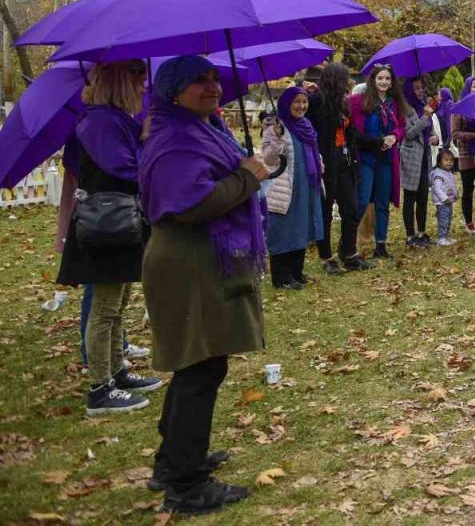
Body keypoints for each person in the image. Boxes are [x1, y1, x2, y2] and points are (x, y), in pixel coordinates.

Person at [139, 56, 270, 514]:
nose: (213, 86)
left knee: (198, 365)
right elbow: (189, 205)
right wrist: (246, 178)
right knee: (199, 368)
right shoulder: (175, 139)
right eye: (200, 80)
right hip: (188, 264)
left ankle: (173, 460)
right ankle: (187, 484)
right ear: (173, 89)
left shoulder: (200, 127)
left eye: (215, 77)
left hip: (201, 260)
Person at [56, 60, 163, 416]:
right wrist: (145, 141)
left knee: (117, 304)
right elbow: (128, 169)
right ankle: (100, 388)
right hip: (106, 224)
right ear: (119, 79)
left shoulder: (114, 119)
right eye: (137, 76)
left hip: (119, 221)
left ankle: (117, 371)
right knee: (104, 308)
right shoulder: (100, 121)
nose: (143, 85)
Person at [305, 62, 371, 272]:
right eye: (344, 80)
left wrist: (377, 142)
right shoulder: (316, 102)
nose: (347, 84)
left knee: (351, 208)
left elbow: (352, 134)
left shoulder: (344, 104)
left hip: (345, 162)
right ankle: (326, 257)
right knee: (325, 211)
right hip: (326, 163)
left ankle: (349, 253)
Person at [261, 87, 325, 290]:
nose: (301, 106)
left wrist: (319, 162)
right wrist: (278, 139)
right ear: (287, 104)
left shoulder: (306, 125)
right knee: (283, 229)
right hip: (285, 187)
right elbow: (269, 158)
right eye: (296, 102)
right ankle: (281, 277)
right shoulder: (275, 128)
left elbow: (312, 151)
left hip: (307, 184)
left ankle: (296, 272)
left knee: (302, 228)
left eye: (304, 102)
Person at [349, 64, 406, 259]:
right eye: (380, 78)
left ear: (392, 82)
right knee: (363, 200)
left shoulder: (394, 103)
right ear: (373, 80)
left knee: (382, 202)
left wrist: (394, 136)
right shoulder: (359, 101)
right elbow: (345, 117)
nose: (383, 82)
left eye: (387, 79)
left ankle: (380, 244)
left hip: (387, 160)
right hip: (366, 157)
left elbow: (401, 127)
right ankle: (348, 244)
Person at [401, 75, 440, 250]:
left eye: (421, 87)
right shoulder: (406, 109)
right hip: (411, 158)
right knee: (410, 196)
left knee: (423, 196)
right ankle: (410, 235)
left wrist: (435, 137)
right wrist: (424, 118)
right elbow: (408, 134)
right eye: (416, 88)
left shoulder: (424, 106)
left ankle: (422, 233)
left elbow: (429, 130)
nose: (420, 91)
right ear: (409, 90)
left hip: (425, 156)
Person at [452, 76, 475, 233]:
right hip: (466, 154)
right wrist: (474, 136)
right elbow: (455, 133)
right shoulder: (459, 109)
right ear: (468, 88)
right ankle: (468, 221)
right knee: (468, 189)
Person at [429, 149, 459, 246]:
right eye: (446, 160)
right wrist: (444, 198)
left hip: (449, 201)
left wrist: (455, 194)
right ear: (439, 162)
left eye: (451, 160)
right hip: (442, 203)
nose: (449, 162)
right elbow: (437, 189)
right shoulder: (438, 174)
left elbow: (450, 185)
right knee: (443, 220)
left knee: (449, 219)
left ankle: (446, 236)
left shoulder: (448, 172)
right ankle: (441, 238)